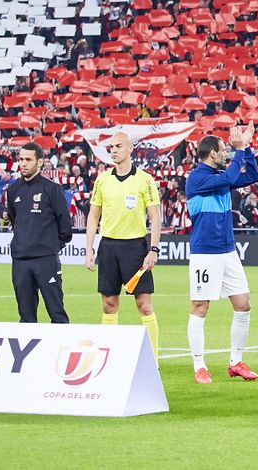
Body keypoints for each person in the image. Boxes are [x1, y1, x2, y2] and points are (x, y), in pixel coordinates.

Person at [184, 124, 258, 384]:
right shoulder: (196, 178)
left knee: (243, 305)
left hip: (228, 251)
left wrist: (245, 148)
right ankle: (199, 366)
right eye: (223, 150)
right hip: (205, 253)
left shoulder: (221, 174)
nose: (226, 153)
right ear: (212, 153)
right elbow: (229, 178)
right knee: (200, 306)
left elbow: (252, 175)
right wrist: (239, 150)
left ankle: (236, 362)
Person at [85, 132, 162, 352]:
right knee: (109, 305)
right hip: (108, 247)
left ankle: (153, 360)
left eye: (118, 146)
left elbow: (155, 217)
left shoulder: (144, 179)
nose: (113, 150)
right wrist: (89, 250)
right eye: (111, 147)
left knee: (144, 305)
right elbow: (93, 216)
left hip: (135, 248)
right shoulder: (102, 179)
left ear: (130, 148)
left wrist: (153, 249)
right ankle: (109, 358)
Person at [6, 141, 73, 324]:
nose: (23, 163)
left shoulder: (52, 189)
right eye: (21, 159)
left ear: (40, 162)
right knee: (26, 316)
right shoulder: (13, 190)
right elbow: (14, 220)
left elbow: (65, 226)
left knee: (56, 313)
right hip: (20, 260)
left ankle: (62, 343)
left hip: (46, 259)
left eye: (28, 160)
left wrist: (50, 246)